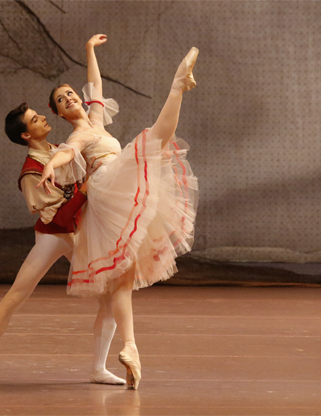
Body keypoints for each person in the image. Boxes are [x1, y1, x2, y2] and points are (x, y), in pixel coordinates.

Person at [37, 34, 199, 389]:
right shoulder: (79, 133)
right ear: (60, 113)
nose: (69, 99)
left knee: (120, 283)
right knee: (152, 140)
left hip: (111, 193)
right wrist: (52, 164)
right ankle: (177, 86)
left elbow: (95, 83)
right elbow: (67, 152)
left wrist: (89, 50)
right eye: (62, 101)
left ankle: (128, 349)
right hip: (109, 181)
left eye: (70, 94)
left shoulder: (96, 117)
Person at [0, 103, 125, 386]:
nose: (42, 118)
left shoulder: (60, 149)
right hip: (53, 235)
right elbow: (60, 217)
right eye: (34, 119)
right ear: (26, 135)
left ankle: (98, 368)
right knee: (16, 296)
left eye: (39, 114)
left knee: (110, 296)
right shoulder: (31, 172)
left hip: (80, 230)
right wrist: (87, 188)